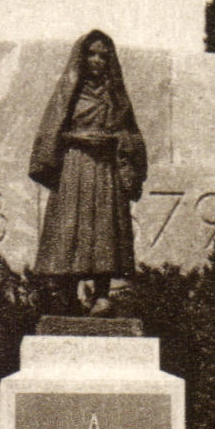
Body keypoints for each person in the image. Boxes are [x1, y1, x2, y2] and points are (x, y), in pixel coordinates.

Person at [28, 30, 146, 315]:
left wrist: (117, 141)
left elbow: (131, 135)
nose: (97, 60)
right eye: (91, 54)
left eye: (103, 56)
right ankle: (67, 295)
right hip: (75, 166)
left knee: (105, 228)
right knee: (72, 227)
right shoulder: (69, 94)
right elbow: (52, 132)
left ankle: (102, 295)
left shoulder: (116, 98)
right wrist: (78, 138)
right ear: (81, 58)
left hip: (105, 168)